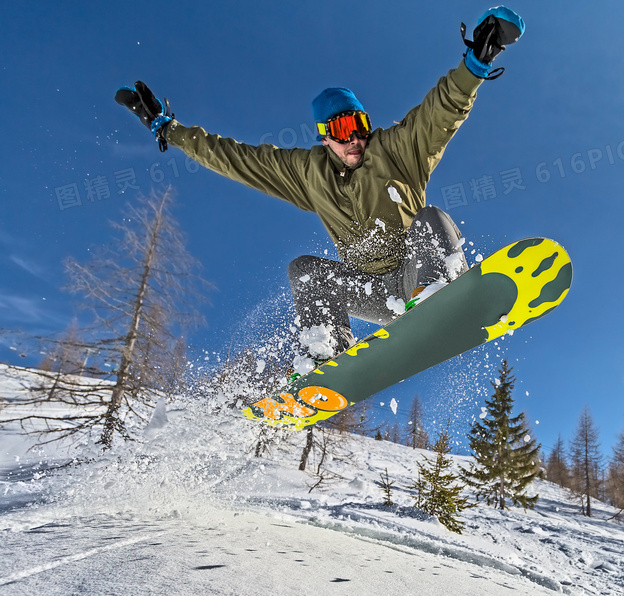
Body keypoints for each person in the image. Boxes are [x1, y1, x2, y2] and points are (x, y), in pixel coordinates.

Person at [115, 7, 525, 376]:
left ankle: (438, 295)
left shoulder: (397, 149)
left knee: (430, 218)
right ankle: (327, 349)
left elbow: (442, 110)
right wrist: (171, 130)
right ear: (325, 137)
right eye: (341, 131)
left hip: (418, 274)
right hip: (375, 292)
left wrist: (473, 66)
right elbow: (234, 157)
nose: (355, 140)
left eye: (359, 126)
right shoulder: (308, 174)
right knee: (305, 270)